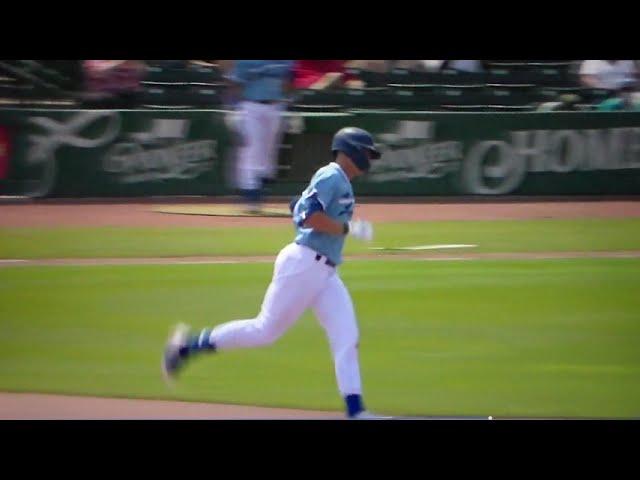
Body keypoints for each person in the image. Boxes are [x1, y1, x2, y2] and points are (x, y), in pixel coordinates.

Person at [162, 127, 389, 420]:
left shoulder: (336, 180)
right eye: (366, 152)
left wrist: (337, 223)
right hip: (304, 265)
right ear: (349, 151)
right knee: (263, 331)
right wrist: (348, 228)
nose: (369, 158)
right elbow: (308, 217)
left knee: (346, 336)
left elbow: (297, 206)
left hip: (325, 273)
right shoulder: (332, 176)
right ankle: (186, 347)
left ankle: (356, 412)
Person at [226, 60, 294, 212]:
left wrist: (290, 105)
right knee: (252, 149)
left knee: (269, 152)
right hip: (251, 107)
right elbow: (235, 84)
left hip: (276, 106)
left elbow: (288, 81)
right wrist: (231, 107)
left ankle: (258, 188)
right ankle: (251, 194)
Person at [293, 60, 364, 90]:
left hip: (336, 102)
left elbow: (346, 76)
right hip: (306, 88)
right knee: (332, 77)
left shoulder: (336, 63)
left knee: (356, 84)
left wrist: (351, 82)